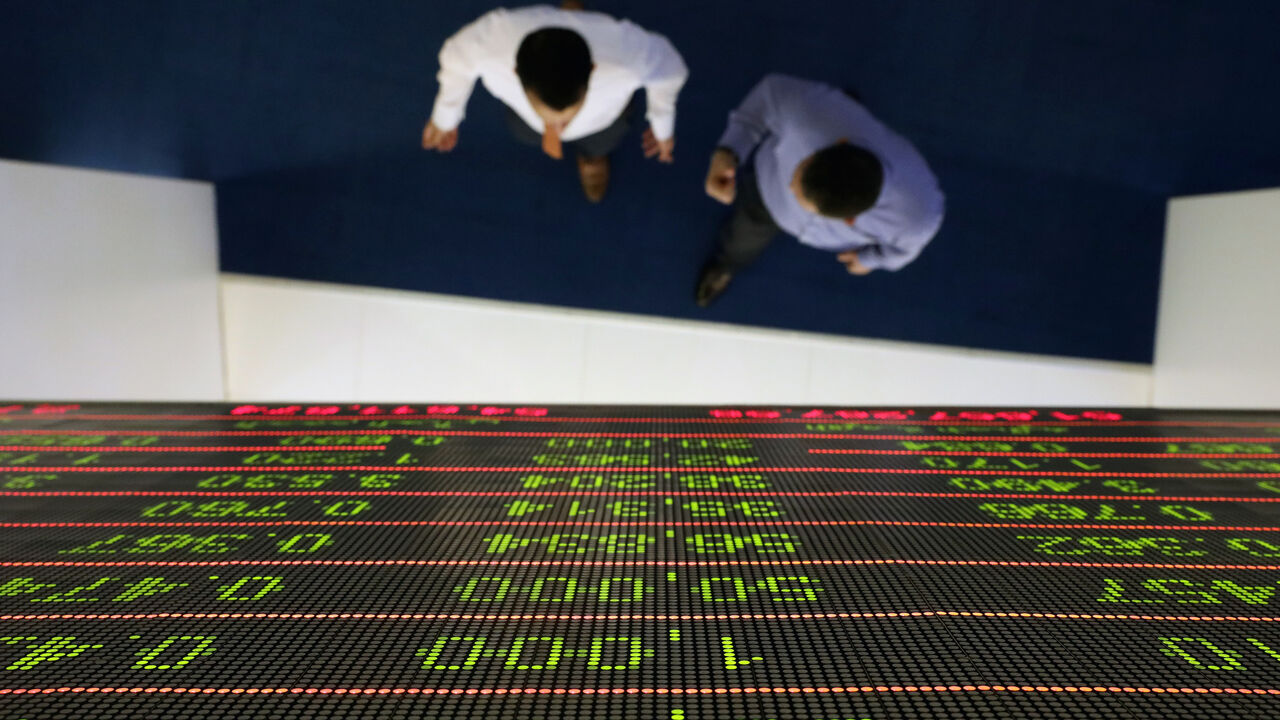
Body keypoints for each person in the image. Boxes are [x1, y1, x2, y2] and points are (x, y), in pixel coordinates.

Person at [698, 73, 945, 306]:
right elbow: (768, 93)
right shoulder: (807, 113)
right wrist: (728, 150)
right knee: (743, 237)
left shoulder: (919, 219)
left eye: (800, 196)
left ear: (849, 219)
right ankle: (726, 265)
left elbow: (903, 251)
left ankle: (848, 108)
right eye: (800, 170)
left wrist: (869, 260)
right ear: (840, 143)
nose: (790, 186)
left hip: (830, 127)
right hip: (766, 190)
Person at [421, 2, 688, 203]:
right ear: (516, 72)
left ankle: (593, 158)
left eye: (568, 115)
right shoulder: (494, 40)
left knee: (602, 142)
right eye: (549, 116)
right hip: (525, 122)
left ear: (593, 69)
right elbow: (455, 59)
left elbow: (671, 70)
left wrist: (661, 121)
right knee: (525, 132)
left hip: (604, 123)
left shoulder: (625, 55)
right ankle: (572, 11)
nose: (558, 128)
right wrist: (446, 115)